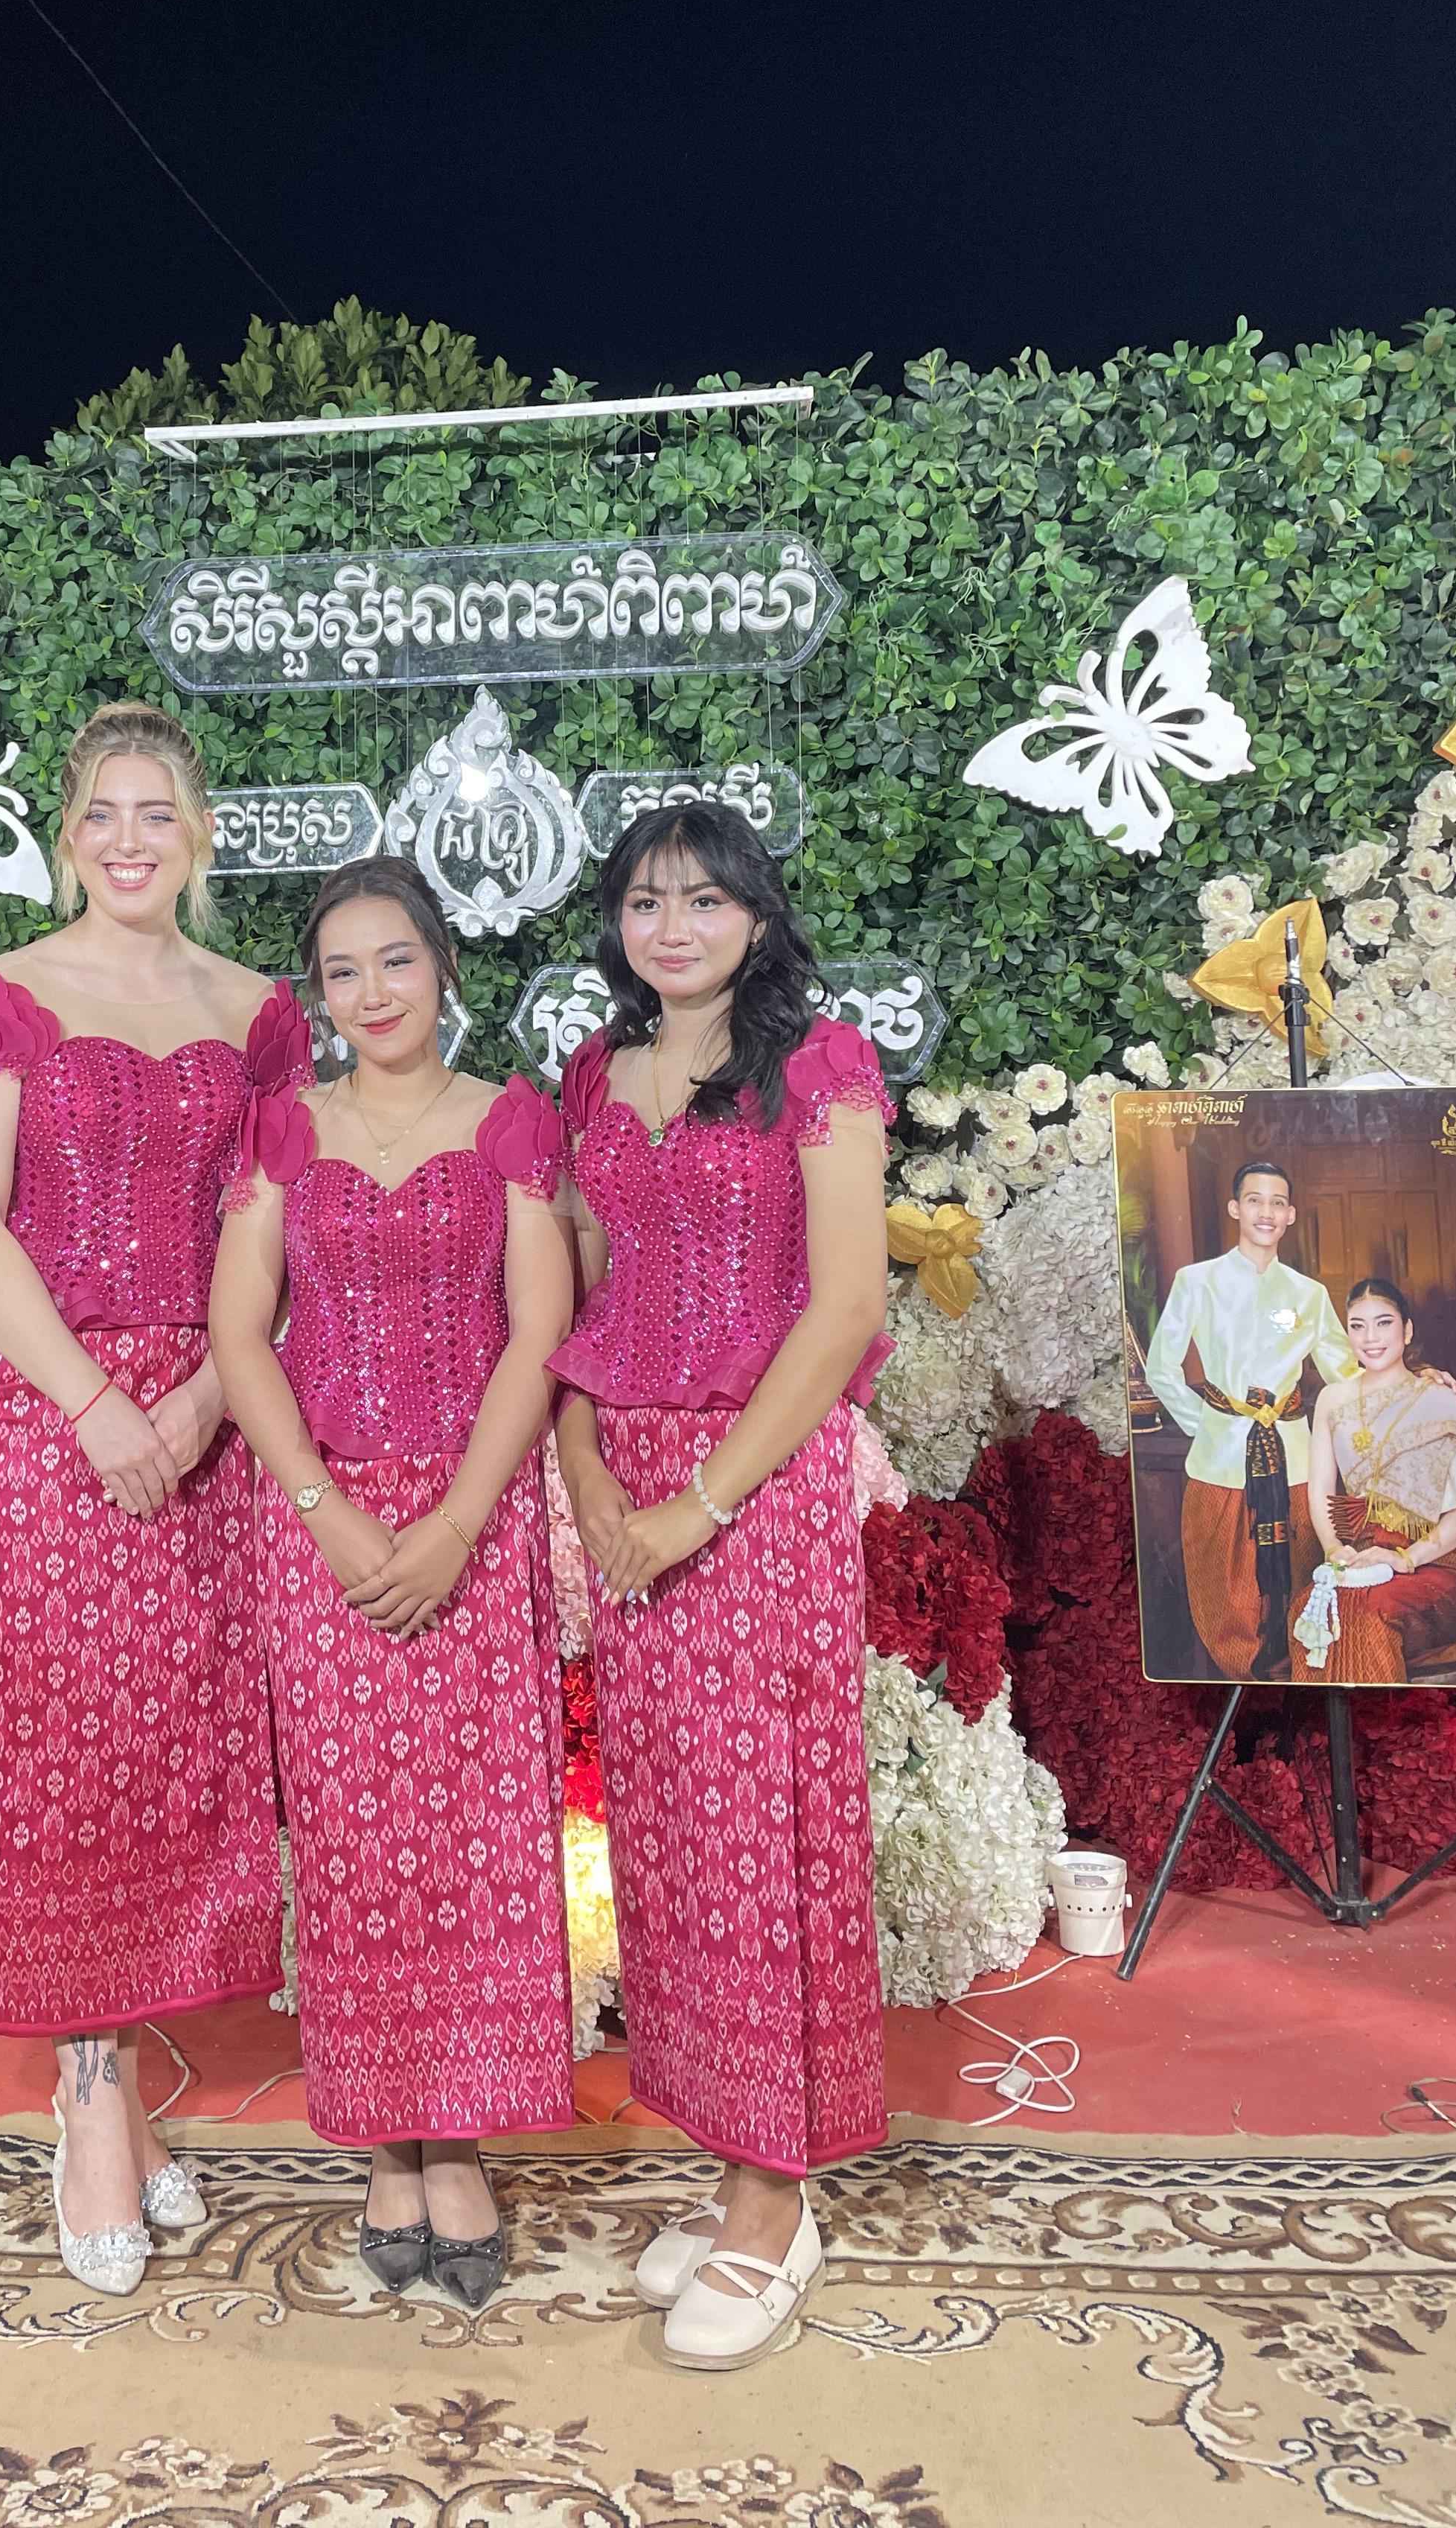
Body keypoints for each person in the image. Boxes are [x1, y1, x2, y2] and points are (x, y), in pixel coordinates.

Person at [0, 700, 307, 2298]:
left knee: (169, 1754)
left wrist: (207, 1398)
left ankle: (125, 2085)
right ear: (67, 838)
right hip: (44, 1417)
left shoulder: (260, 1011)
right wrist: (93, 1406)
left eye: (157, 813)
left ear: (198, 834)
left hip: (210, 1420)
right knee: (64, 1745)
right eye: (102, 814)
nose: (129, 839)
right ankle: (87, 2100)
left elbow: (276, 1231)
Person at [551, 802, 892, 2375]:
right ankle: (731, 2155)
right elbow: (580, 1299)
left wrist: (698, 1502)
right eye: (643, 901)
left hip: (753, 1494)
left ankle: (773, 2206)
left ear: (754, 914)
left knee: (762, 1834)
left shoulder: (818, 1071)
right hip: (627, 1497)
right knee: (675, 1838)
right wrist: (586, 1475)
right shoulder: (592, 1076)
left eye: (701, 898)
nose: (670, 926)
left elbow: (843, 1310)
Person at [211, 856, 574, 2309]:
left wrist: (456, 1525)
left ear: (444, 968)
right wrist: (327, 1514)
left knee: (476, 1836)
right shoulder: (283, 1129)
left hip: (473, 1528)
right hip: (323, 1534)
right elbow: (240, 1334)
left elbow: (539, 1330)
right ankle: (381, 2136)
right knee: (355, 1839)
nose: (371, 993)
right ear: (321, 995)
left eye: (396, 961)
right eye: (343, 971)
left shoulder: (513, 1123)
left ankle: (460, 2135)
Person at [1141, 1159, 1357, 1680]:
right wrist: (1209, 1424)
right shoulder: (1198, 1281)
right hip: (1221, 1462)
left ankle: (1300, 1680)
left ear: (1291, 1215)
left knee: (1304, 1577)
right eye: (1255, 1200)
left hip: (1296, 1459)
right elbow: (1161, 1369)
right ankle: (1244, 1683)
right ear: (1235, 1208)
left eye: (1278, 1203)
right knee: (1226, 1588)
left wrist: (1414, 1381)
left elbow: (1348, 1375)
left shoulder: (1308, 1293)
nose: (1267, 1212)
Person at [1297, 1277, 1456, 1684]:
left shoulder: (1437, 1399)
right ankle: (1336, 1725)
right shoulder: (1332, 1399)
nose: (1370, 1338)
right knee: (1314, 1610)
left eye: (1384, 1323)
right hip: (1361, 1556)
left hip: (1433, 1566)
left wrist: (1404, 1559)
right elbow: (1320, 1487)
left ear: (1407, 1330)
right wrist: (1335, 1549)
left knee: (1367, 1613)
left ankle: (1378, 1723)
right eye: (1358, 1326)